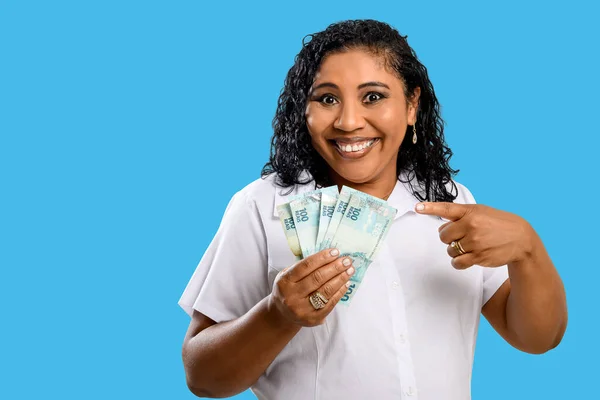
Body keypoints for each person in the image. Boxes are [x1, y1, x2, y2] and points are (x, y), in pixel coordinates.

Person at [178, 19, 567, 400]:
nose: (348, 122)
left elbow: (538, 339)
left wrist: (529, 250)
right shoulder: (262, 207)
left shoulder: (451, 202)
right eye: (327, 98)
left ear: (412, 105)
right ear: (305, 110)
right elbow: (203, 376)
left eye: (373, 97)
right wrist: (277, 315)